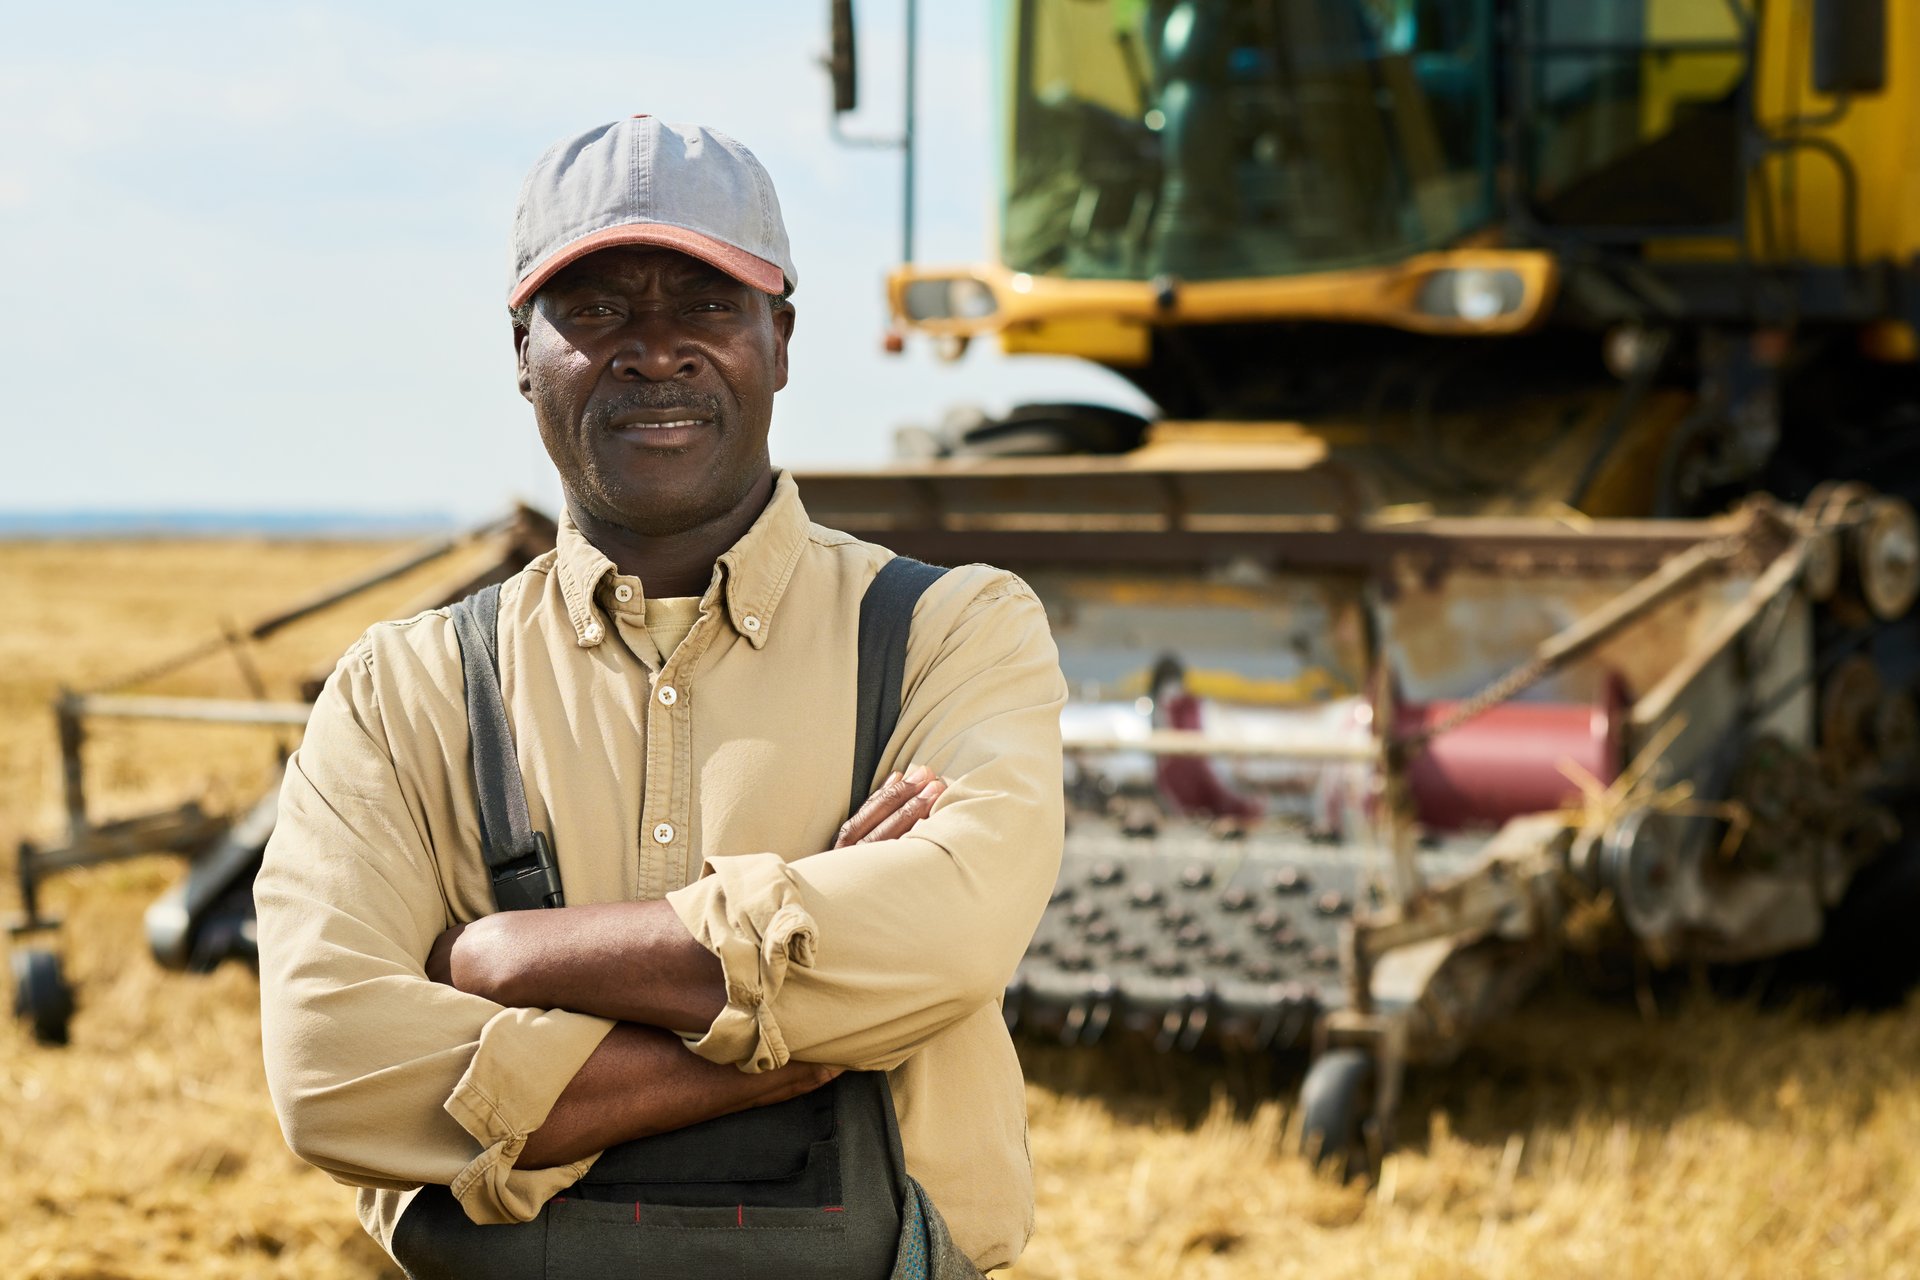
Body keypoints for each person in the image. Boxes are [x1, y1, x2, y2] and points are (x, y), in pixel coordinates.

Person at [255, 116, 1066, 1276]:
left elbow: (956, 929)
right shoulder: (403, 690)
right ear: (522, 350)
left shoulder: (955, 631)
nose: (654, 350)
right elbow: (332, 1069)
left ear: (780, 338)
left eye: (706, 304)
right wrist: (804, 1029)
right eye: (595, 311)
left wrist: (507, 956)